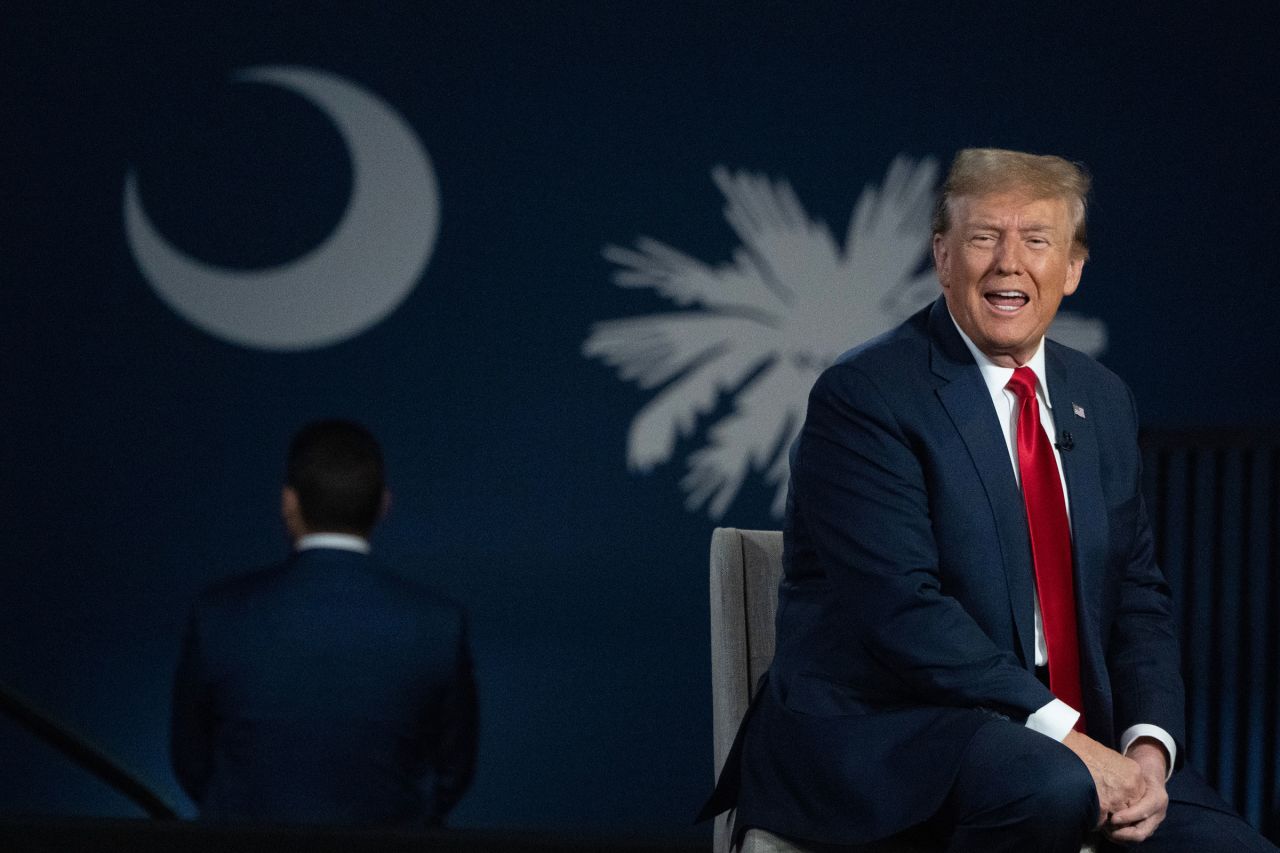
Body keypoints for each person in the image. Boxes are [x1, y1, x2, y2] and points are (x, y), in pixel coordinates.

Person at [702, 149, 1276, 851]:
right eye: (984, 238)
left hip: (1065, 738)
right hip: (896, 729)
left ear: (1072, 268)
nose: (1010, 262)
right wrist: (1068, 738)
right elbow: (903, 612)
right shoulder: (866, 396)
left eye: (1036, 239)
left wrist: (1147, 751)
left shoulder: (1102, 398)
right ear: (943, 257)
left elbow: (1136, 597)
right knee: (1051, 786)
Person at [170, 419, 478, 827]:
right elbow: (452, 770)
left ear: (288, 503)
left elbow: (192, 759)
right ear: (384, 505)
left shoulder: (220, 614)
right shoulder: (438, 625)